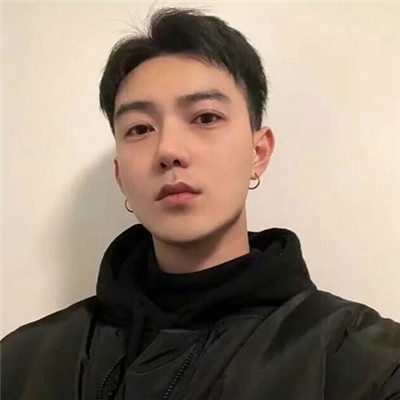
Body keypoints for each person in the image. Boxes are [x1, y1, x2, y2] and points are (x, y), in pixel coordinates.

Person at [2, 6, 399, 400]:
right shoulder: (22, 364)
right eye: (140, 128)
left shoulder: (363, 363)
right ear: (121, 176)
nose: (169, 150)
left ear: (258, 152)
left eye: (206, 118)